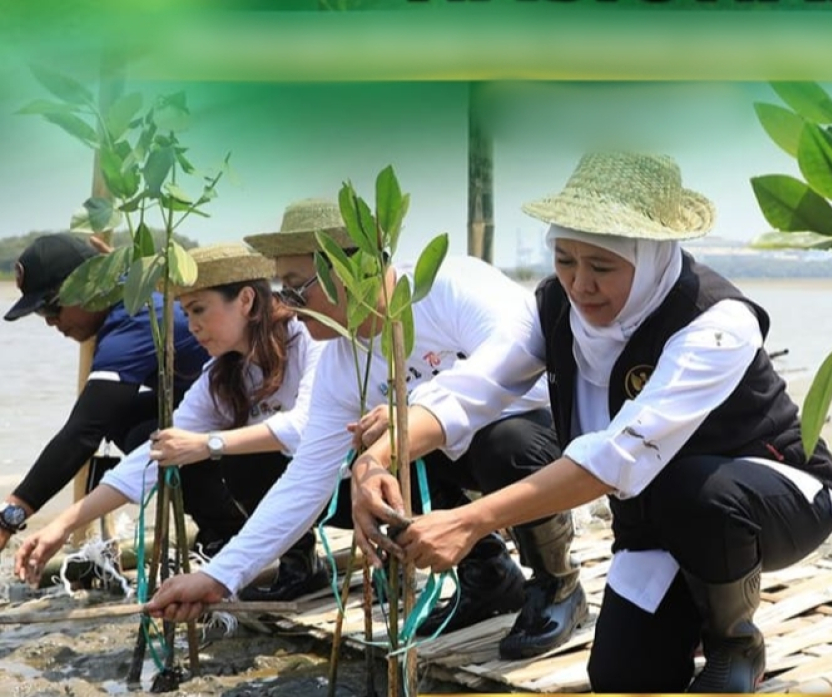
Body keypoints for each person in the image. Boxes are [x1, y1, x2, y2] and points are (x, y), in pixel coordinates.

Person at [350, 152, 832, 693]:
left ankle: (735, 640)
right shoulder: (554, 307)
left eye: (602, 266)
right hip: (655, 520)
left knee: (695, 490)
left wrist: (472, 522)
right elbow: (474, 388)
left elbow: (617, 457)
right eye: (565, 260)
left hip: (779, 496)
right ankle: (692, 607)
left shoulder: (716, 322)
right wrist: (379, 457)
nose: (580, 284)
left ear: (651, 255)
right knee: (622, 677)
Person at [141, 199, 585, 658]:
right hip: (448, 458)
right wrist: (219, 577)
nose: (288, 308)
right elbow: (307, 479)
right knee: (369, 452)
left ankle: (557, 584)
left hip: (538, 441)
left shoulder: (449, 289)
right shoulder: (341, 362)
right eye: (282, 292)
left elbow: (528, 382)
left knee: (505, 444)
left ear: (353, 271)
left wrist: (408, 414)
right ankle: (489, 577)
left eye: (296, 289)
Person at [14, 243, 331, 599]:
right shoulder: (220, 374)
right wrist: (62, 524)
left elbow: (306, 427)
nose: (192, 327)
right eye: (185, 313)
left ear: (245, 300)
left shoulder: (311, 338)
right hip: (300, 491)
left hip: (347, 483)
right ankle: (297, 565)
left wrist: (208, 443)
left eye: (199, 311)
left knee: (242, 453)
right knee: (164, 437)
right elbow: (154, 456)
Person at [0, 233, 208, 552]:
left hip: (256, 425)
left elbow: (82, 434)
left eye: (52, 307)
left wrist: (8, 518)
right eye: (41, 314)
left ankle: (225, 526)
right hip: (216, 409)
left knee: (147, 437)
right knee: (128, 422)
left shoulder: (131, 320)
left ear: (92, 285)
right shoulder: (129, 294)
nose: (51, 322)